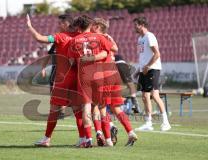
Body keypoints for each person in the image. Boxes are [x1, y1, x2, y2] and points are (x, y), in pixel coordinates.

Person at [27, 14, 85, 147]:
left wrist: (30, 27)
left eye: (60, 23)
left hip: (63, 79)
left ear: (66, 23)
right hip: (77, 78)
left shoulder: (60, 36)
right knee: (77, 110)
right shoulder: (80, 36)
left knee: (54, 109)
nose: (58, 25)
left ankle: (46, 138)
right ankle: (83, 138)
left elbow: (40, 38)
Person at [84, 17, 138, 147]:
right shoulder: (107, 37)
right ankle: (130, 132)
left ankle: (107, 139)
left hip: (102, 75)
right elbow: (115, 48)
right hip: (114, 75)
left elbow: (101, 53)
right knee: (116, 108)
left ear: (97, 27)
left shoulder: (95, 38)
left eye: (93, 25)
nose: (90, 27)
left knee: (98, 107)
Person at [68, 15, 114, 147]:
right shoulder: (99, 37)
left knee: (86, 107)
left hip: (83, 77)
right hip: (99, 76)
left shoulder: (74, 40)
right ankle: (108, 140)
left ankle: (88, 139)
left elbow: (71, 61)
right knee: (101, 108)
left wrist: (83, 60)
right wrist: (93, 58)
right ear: (90, 25)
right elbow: (107, 52)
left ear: (78, 26)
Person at [133, 17, 171, 131]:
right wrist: (138, 71)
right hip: (144, 70)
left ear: (141, 25)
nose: (134, 27)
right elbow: (142, 57)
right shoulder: (140, 39)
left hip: (153, 68)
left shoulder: (150, 36)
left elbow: (157, 54)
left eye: (136, 25)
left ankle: (166, 122)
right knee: (145, 97)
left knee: (154, 95)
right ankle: (148, 123)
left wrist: (148, 66)